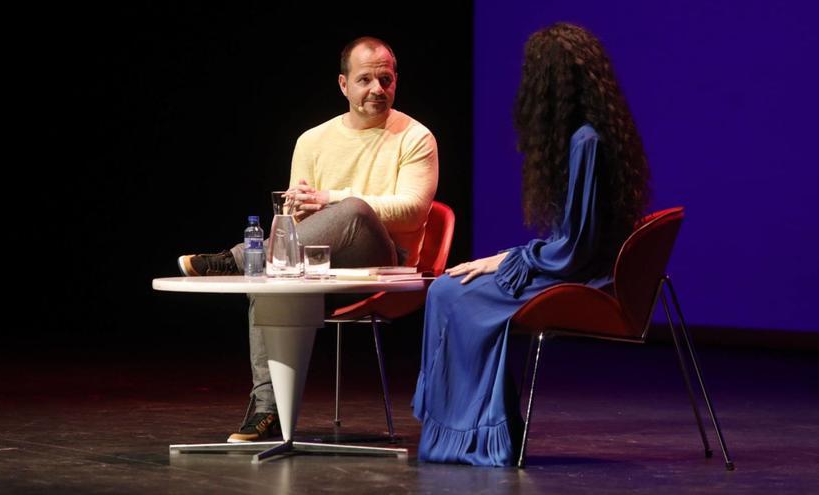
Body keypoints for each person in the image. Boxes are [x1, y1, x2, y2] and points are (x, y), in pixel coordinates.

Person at [412, 22, 650, 467]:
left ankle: (478, 437)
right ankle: (473, 433)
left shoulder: (587, 142)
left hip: (579, 278)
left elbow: (574, 250)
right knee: (449, 287)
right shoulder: (589, 135)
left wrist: (507, 259)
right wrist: (505, 259)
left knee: (449, 292)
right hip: (570, 266)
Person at [178, 36, 439, 442]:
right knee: (269, 274)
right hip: (319, 259)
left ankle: (236, 257)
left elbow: (413, 209)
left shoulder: (415, 137)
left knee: (353, 210)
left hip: (386, 260)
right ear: (343, 84)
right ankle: (268, 410)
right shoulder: (312, 140)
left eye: (385, 79)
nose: (377, 89)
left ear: (396, 80)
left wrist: (332, 199)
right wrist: (297, 211)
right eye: (365, 79)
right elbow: (291, 220)